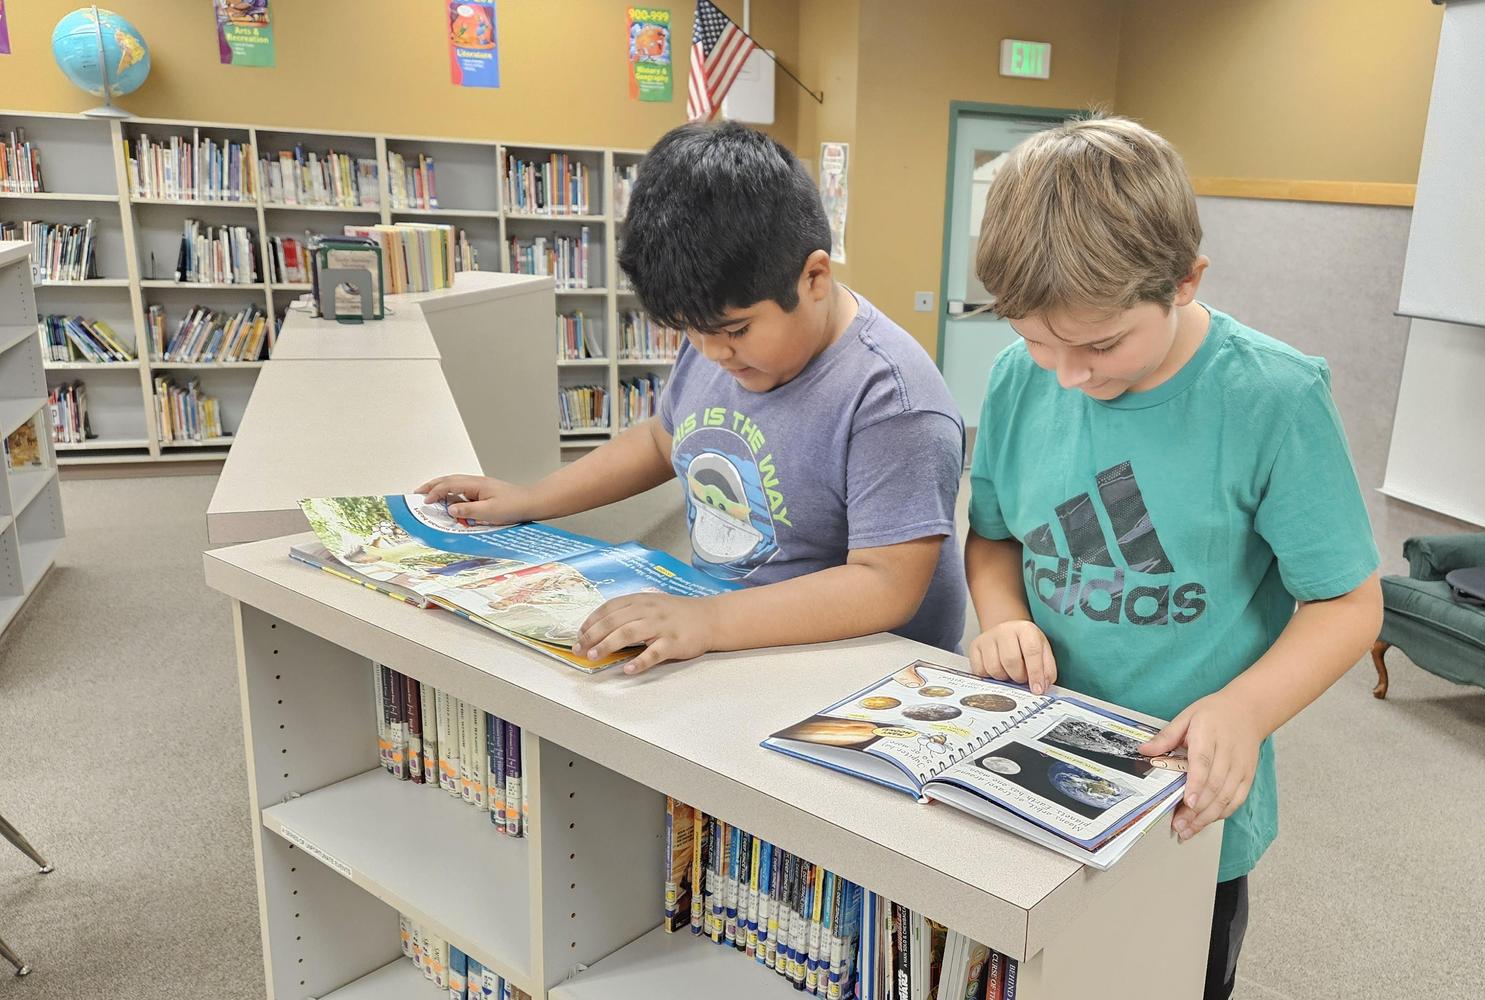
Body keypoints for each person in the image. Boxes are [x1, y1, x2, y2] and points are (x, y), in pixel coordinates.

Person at [961, 116, 1383, 999]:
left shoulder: (1271, 396)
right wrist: (1002, 616)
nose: (1068, 374)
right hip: (1030, 760)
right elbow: (994, 535)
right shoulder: (1016, 379)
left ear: (1186, 282)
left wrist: (1246, 708)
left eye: (1102, 344)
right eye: (1040, 340)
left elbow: (1348, 604)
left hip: (1186, 802)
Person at [420, 122, 966, 670]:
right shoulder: (718, 341)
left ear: (814, 278)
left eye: (735, 331)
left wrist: (709, 623)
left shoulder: (892, 399)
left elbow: (885, 586)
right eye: (691, 331)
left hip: (854, 664)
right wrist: (531, 499)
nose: (712, 353)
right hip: (723, 627)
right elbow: (664, 440)